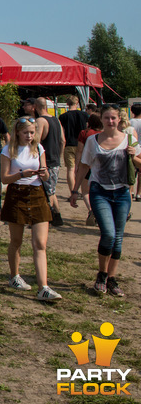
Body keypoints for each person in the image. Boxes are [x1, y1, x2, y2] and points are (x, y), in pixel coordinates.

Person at [70, 104, 138, 297]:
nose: (110, 121)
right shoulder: (93, 140)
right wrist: (75, 190)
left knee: (118, 238)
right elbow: (84, 166)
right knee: (108, 234)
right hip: (100, 192)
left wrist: (134, 156)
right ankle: (101, 274)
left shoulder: (129, 139)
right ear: (102, 119)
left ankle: (111, 279)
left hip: (122, 193)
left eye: (113, 118)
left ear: (119, 119)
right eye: (106, 118)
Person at [0, 116, 62, 302]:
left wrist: (44, 173)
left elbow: (45, 173)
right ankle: (14, 276)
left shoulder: (39, 148)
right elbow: (4, 178)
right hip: (16, 194)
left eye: (32, 133)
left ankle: (43, 287)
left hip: (37, 194)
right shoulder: (8, 150)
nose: (29, 136)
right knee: (16, 241)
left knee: (40, 244)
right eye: (26, 132)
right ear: (18, 132)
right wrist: (20, 174)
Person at [35, 98, 66, 226]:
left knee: (48, 192)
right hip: (55, 159)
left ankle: (48, 217)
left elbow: (36, 141)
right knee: (51, 190)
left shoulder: (41, 121)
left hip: (45, 160)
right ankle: (57, 217)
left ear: (36, 107)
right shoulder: (56, 120)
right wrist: (59, 156)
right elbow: (63, 140)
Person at [59, 96, 89, 203]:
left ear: (67, 104)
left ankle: (73, 192)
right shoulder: (84, 115)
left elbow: (61, 133)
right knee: (82, 169)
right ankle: (83, 190)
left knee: (70, 170)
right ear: (77, 102)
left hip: (69, 144)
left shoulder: (63, 117)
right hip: (82, 145)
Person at [130, 103, 141, 201]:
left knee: (132, 170)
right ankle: (139, 193)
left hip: (132, 147)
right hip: (140, 148)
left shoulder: (130, 122)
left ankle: (131, 191)